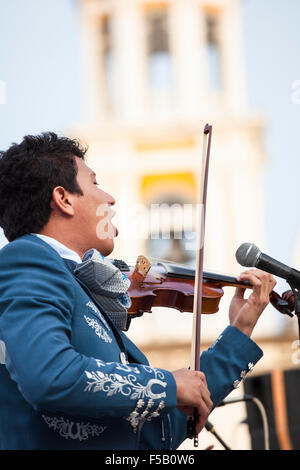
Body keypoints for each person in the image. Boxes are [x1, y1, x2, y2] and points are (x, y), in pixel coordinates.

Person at [0, 133, 276, 450]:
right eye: (95, 183)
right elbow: (50, 376)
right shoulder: (28, 261)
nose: (110, 198)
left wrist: (240, 329)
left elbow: (157, 434)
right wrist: (168, 385)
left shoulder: (78, 289)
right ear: (64, 199)